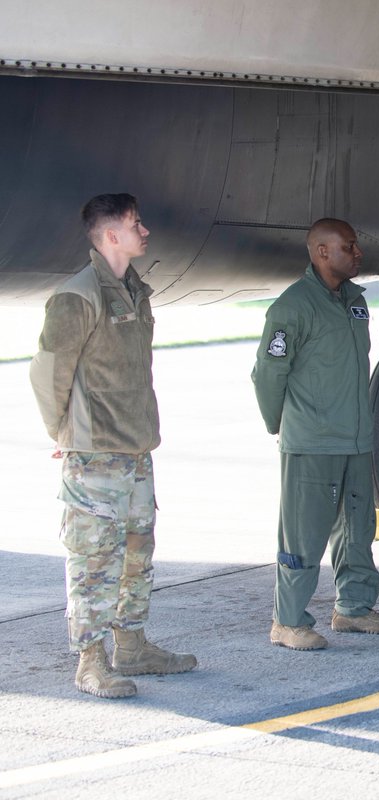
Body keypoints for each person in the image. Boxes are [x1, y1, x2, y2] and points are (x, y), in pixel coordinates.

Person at [30, 193, 197, 699]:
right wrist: (64, 432)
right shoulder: (77, 297)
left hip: (134, 451)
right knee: (93, 561)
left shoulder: (134, 291)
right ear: (110, 236)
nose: (145, 232)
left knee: (136, 554)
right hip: (95, 455)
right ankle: (90, 662)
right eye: (135, 224)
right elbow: (48, 373)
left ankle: (132, 645)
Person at [253, 218, 379, 650]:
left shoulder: (354, 300)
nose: (358, 254)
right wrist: (278, 423)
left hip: (356, 439)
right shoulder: (292, 306)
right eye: (349, 247)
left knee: (358, 528)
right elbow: (267, 373)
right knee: (303, 534)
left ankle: (353, 608)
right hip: (312, 442)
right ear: (322, 252)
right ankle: (288, 621)